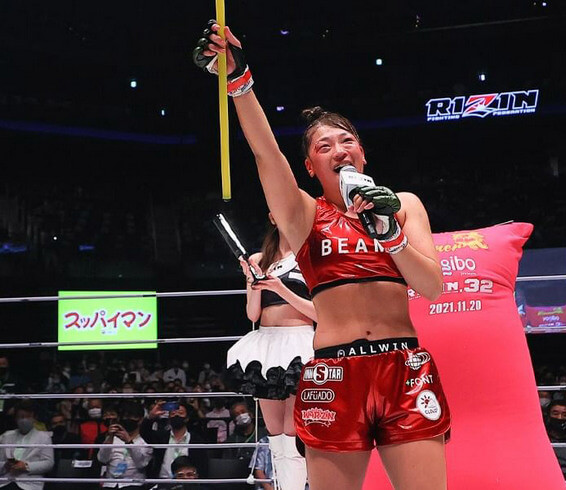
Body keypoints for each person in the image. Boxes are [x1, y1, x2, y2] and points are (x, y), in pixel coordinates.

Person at [195, 22, 450, 489]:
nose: (339, 149)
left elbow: (431, 286)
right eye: (324, 146)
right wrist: (238, 80)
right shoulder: (304, 215)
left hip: (405, 369)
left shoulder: (404, 205)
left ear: (363, 153)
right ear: (311, 167)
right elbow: (266, 154)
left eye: (347, 140)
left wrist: (391, 235)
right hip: (335, 370)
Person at [225, 214, 317, 490]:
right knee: (275, 435)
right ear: (272, 218)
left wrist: (280, 288)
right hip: (265, 347)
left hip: (300, 345)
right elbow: (252, 313)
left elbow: (321, 313)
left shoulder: (311, 257)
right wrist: (251, 280)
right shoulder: (259, 259)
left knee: (293, 432)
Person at [142, 402, 209, 480]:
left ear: (187, 418)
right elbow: (144, 432)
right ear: (169, 418)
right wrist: (150, 417)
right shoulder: (161, 437)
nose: (176, 415)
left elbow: (202, 465)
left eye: (180, 413)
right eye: (173, 413)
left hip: (188, 482)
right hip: (163, 482)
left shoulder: (196, 440)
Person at [97, 401, 153, 489]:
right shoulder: (112, 439)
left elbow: (141, 464)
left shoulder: (145, 441)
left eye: (131, 416)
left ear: (140, 419)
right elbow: (102, 459)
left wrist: (129, 442)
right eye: (125, 416)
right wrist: (110, 438)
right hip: (110, 485)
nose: (127, 419)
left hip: (133, 485)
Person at [0, 399, 54, 490]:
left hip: (29, 484)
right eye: (20, 417)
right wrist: (5, 465)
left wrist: (26, 466)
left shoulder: (44, 437)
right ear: (15, 418)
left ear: (35, 418)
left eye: (28, 416)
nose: (24, 420)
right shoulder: (6, 436)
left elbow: (49, 463)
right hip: (6, 482)